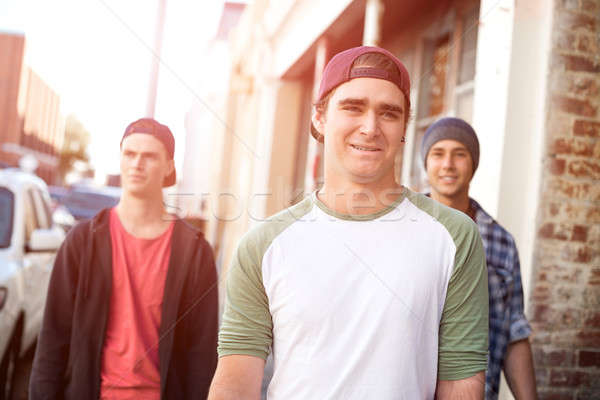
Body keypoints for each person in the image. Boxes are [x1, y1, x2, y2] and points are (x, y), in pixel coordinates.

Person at [208, 46, 489, 400]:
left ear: (405, 127)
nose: (370, 128)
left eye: (389, 113)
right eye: (353, 107)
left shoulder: (454, 237)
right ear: (320, 119)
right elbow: (235, 386)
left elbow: (461, 383)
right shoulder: (262, 246)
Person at [29, 118, 219, 399]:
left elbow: (201, 357)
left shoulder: (194, 252)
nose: (137, 163)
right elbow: (53, 341)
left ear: (169, 166)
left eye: (150, 156)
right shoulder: (83, 242)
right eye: (129, 154)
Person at [421, 117, 538, 400]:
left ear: (473, 163)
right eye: (438, 153)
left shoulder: (501, 242)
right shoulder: (404, 229)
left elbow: (514, 331)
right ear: (426, 163)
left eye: (459, 154)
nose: (448, 164)